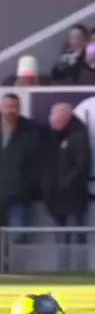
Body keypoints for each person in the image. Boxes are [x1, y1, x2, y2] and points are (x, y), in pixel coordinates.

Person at [42, 103, 92, 271]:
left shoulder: (78, 137)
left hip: (73, 196)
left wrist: (66, 183)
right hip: (56, 196)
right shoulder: (52, 137)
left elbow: (82, 165)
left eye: (55, 116)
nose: (51, 120)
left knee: (77, 233)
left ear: (67, 118)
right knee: (61, 236)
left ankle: (80, 270)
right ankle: (63, 269)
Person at [0, 94, 40, 272]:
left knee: (19, 237)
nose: (11, 110)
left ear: (20, 108)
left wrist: (26, 188)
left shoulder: (30, 131)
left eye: (14, 107)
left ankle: (17, 274)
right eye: (8, 106)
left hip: (19, 197)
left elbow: (36, 164)